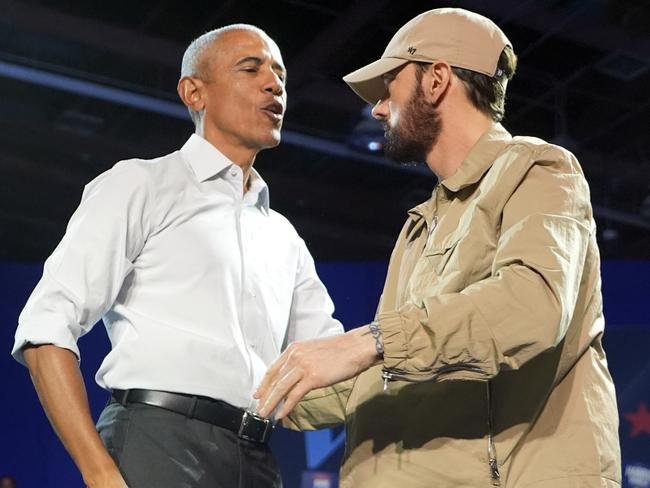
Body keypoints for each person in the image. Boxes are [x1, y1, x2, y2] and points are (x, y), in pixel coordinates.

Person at [255, 8, 621, 487]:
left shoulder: (539, 170)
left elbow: (531, 307)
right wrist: (260, 389)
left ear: (436, 80)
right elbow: (394, 370)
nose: (379, 109)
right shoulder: (420, 225)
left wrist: (370, 342)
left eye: (390, 86)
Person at [12, 24, 343, 488]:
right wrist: (100, 471)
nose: (274, 84)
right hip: (155, 444)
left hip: (259, 458)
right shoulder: (141, 185)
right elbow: (45, 327)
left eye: (281, 75)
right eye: (251, 68)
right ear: (194, 92)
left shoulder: (284, 236)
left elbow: (332, 364)